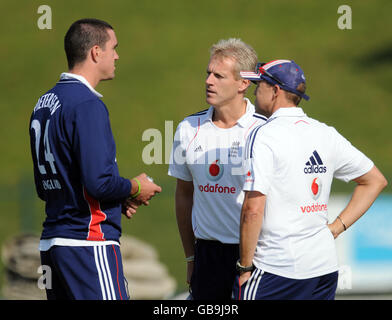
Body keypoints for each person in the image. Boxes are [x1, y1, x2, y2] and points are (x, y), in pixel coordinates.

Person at [29, 18, 161, 300]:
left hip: (53, 246)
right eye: (113, 47)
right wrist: (135, 188)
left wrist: (116, 197)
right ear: (95, 52)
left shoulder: (43, 104)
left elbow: (47, 188)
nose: (117, 55)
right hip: (87, 245)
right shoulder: (88, 104)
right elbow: (99, 183)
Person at [233, 59, 388, 300]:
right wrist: (336, 228)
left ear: (275, 91)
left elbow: (253, 209)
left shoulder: (263, 135)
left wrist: (244, 267)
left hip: (276, 269)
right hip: (323, 268)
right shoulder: (325, 132)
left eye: (259, 85)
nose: (255, 91)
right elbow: (375, 180)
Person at [168, 38, 267, 300]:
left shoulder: (265, 130)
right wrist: (191, 257)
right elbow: (184, 195)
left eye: (219, 76)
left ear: (243, 83)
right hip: (208, 256)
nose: (208, 81)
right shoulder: (188, 128)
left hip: (260, 254)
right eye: (208, 73)